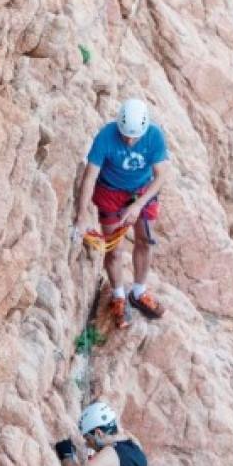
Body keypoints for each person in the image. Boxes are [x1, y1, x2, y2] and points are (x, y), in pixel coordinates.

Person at [72, 98, 170, 329]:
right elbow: (90, 177)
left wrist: (138, 206)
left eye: (134, 137)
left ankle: (139, 292)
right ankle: (118, 296)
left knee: (145, 241)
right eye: (125, 135)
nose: (129, 140)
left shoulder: (153, 136)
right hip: (110, 192)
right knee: (114, 248)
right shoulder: (106, 136)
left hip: (142, 192)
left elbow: (161, 176)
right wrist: (81, 215)